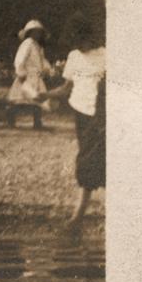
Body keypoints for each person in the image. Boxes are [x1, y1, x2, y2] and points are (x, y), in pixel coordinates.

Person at [47, 14, 105, 226]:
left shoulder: (105, 55)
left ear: (89, 37)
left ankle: (78, 216)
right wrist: (46, 95)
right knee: (90, 160)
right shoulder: (74, 56)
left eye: (80, 40)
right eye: (74, 42)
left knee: (89, 161)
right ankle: (81, 215)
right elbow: (66, 88)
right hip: (80, 112)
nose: (78, 45)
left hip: (100, 115)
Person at [5, 20, 52, 129]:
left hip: (36, 75)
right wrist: (20, 72)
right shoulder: (27, 43)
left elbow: (42, 60)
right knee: (21, 99)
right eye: (35, 32)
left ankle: (37, 122)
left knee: (38, 99)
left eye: (40, 32)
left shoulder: (38, 46)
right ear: (29, 33)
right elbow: (20, 58)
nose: (38, 34)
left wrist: (46, 69)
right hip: (27, 75)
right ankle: (11, 118)